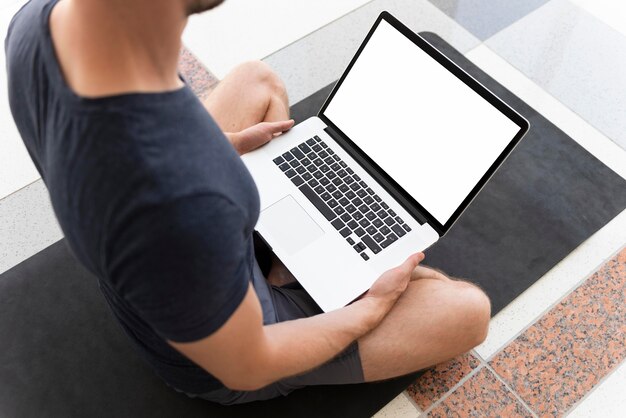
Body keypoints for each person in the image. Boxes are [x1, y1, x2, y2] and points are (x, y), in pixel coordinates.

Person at [5, 0, 491, 405]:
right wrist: (372, 305)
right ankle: (300, 278)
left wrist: (224, 146)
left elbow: (153, 156)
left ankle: (295, 263)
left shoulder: (38, 22)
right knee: (468, 309)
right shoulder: (181, 201)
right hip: (224, 354)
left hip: (174, 259)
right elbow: (248, 362)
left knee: (255, 79)